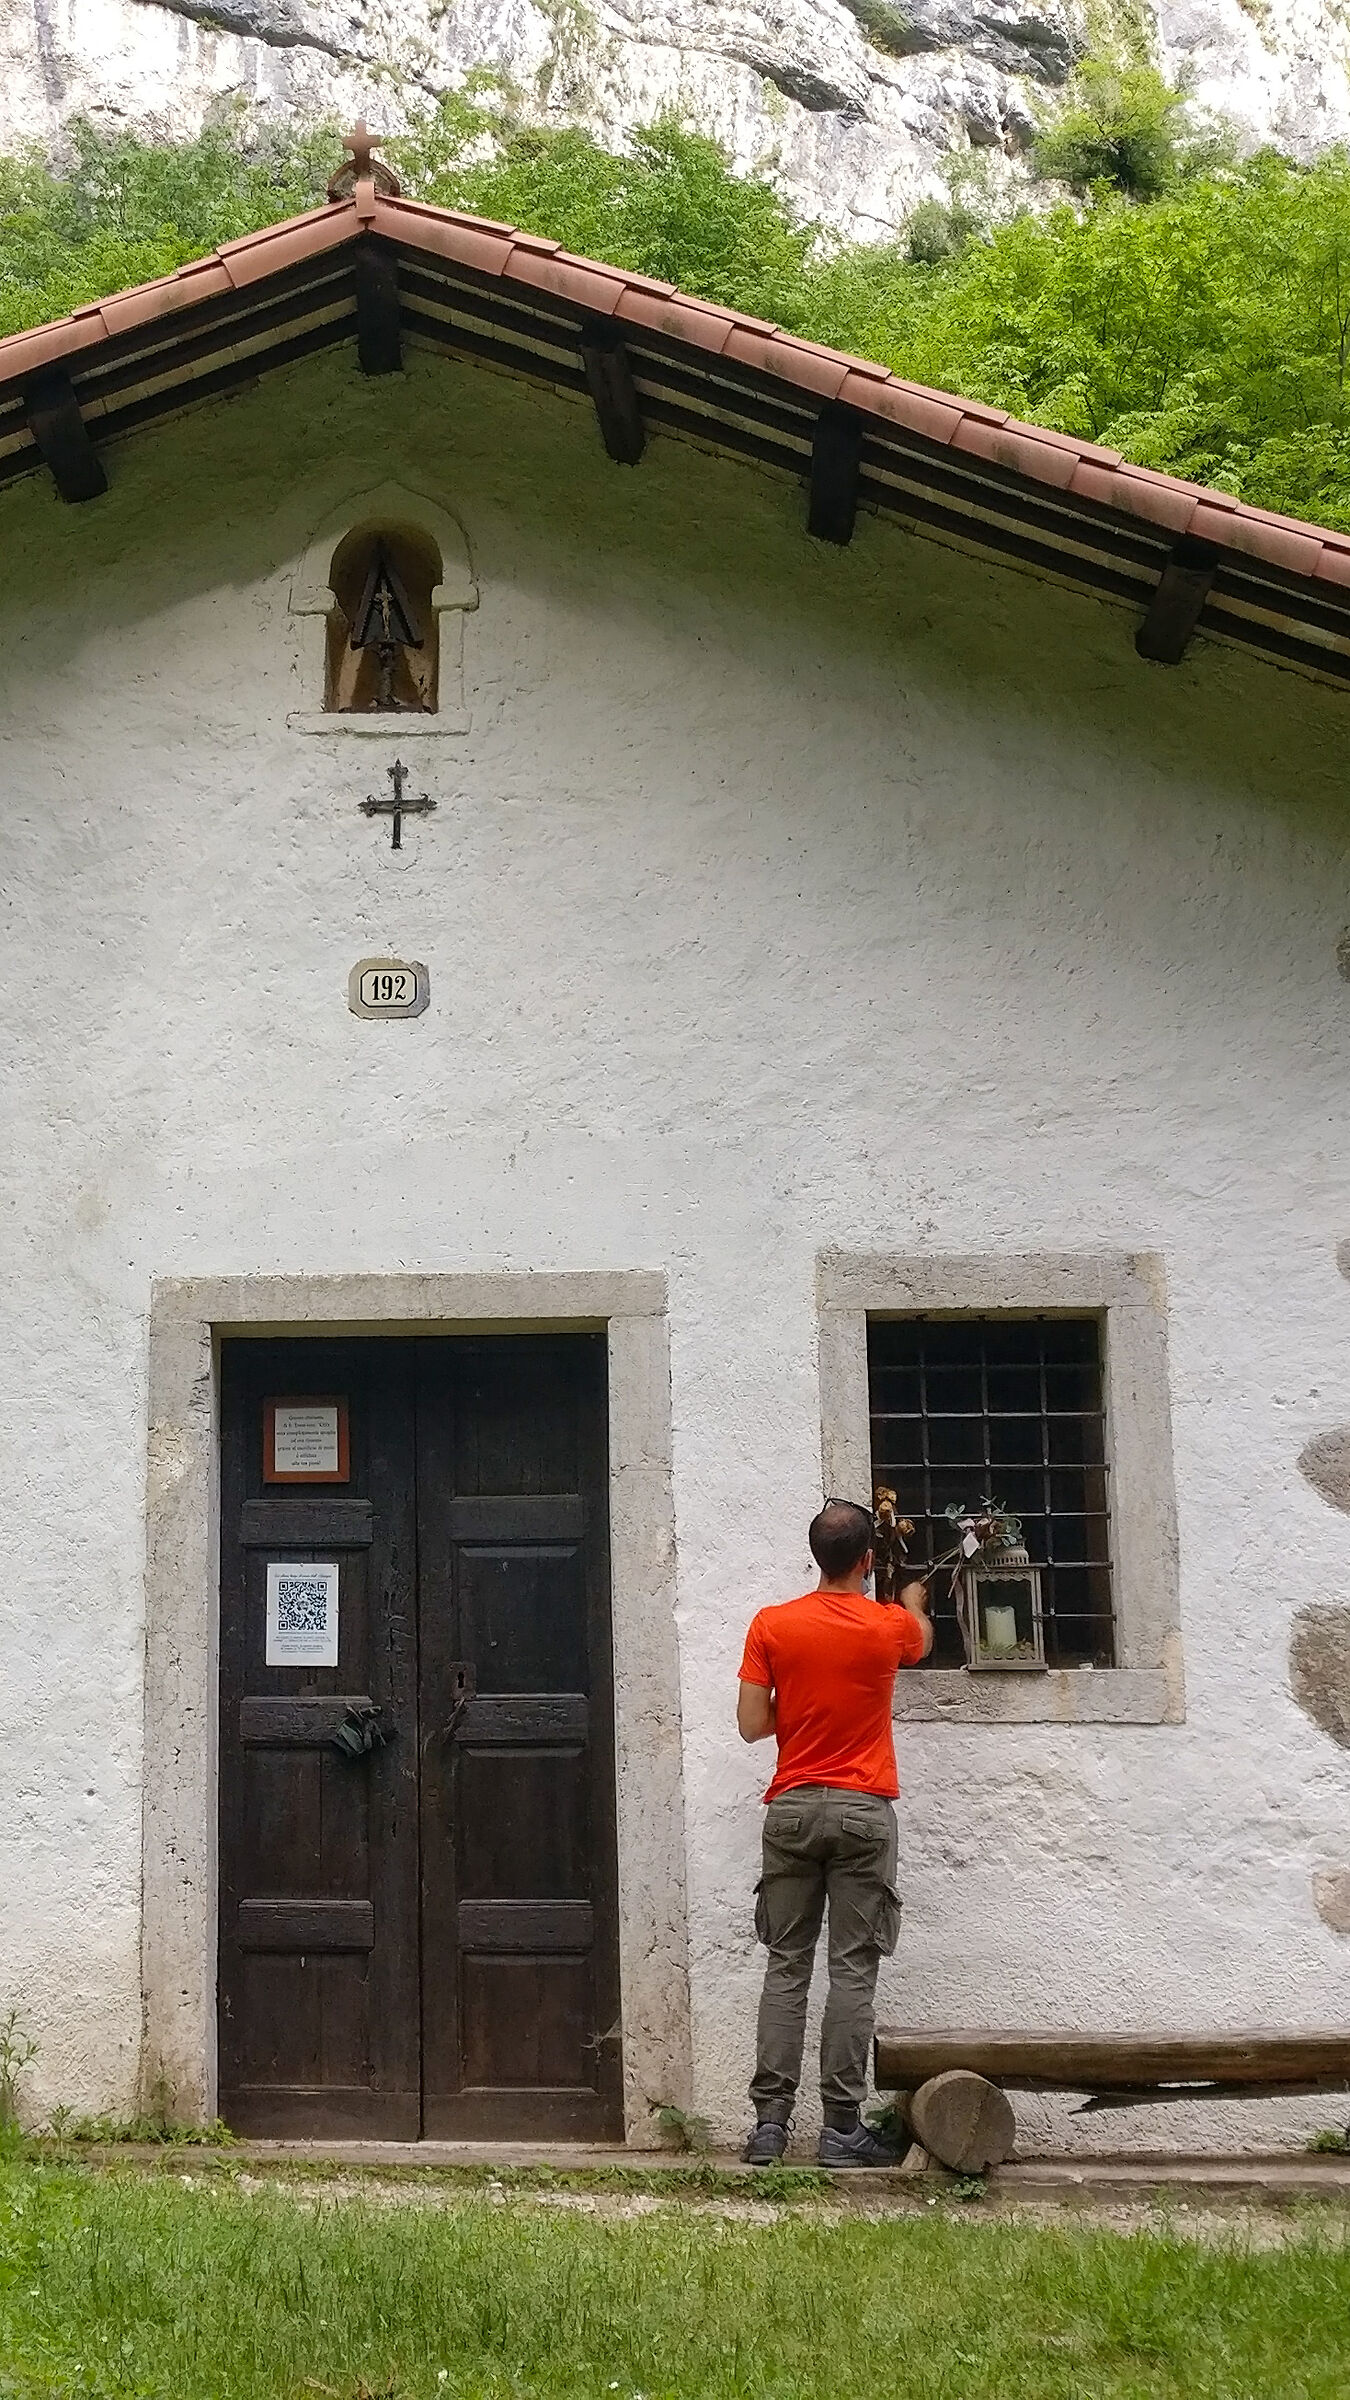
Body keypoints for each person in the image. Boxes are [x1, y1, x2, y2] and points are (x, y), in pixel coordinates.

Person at [737, 1496, 933, 2166]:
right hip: (862, 1809)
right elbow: (921, 1639)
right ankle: (841, 2129)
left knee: (786, 1964)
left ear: (815, 1556)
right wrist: (912, 1600)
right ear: (867, 1560)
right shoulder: (888, 1626)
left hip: (791, 1809)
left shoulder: (771, 1624)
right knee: (852, 1968)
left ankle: (769, 2127)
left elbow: (751, 1724)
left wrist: (799, 1705)